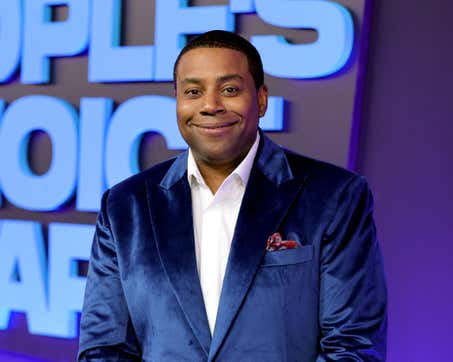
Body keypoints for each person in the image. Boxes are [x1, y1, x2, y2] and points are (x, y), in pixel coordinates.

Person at [78, 30, 387, 361]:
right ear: (178, 103)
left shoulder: (335, 196)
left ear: (262, 99)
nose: (210, 105)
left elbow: (353, 345)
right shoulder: (125, 206)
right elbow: (103, 348)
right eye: (193, 91)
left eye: (229, 90)